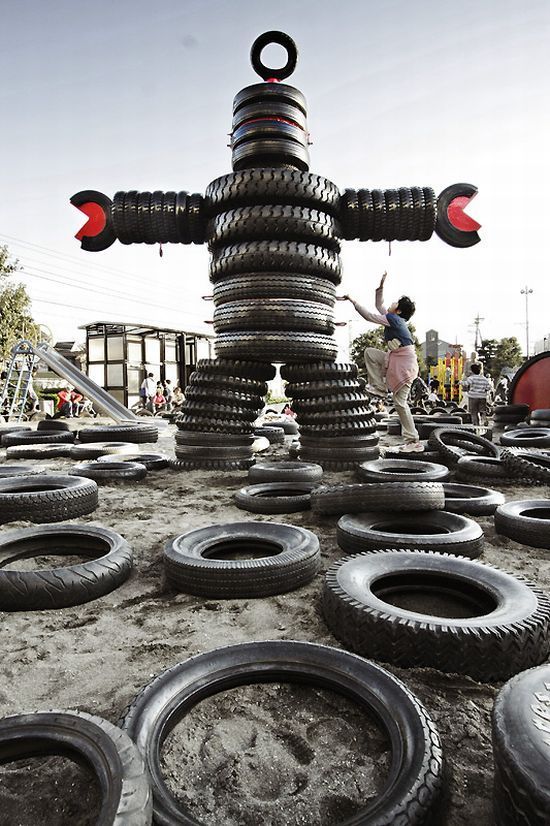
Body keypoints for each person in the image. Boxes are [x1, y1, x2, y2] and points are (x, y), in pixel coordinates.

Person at [341, 271, 422, 452]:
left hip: (405, 365)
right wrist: (381, 285)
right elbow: (379, 305)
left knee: (400, 403)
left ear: (398, 310)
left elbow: (369, 316)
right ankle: (378, 387)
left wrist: (353, 302)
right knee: (370, 353)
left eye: (395, 303)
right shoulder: (393, 318)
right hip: (396, 359)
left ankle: (413, 441)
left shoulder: (393, 319)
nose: (391, 303)